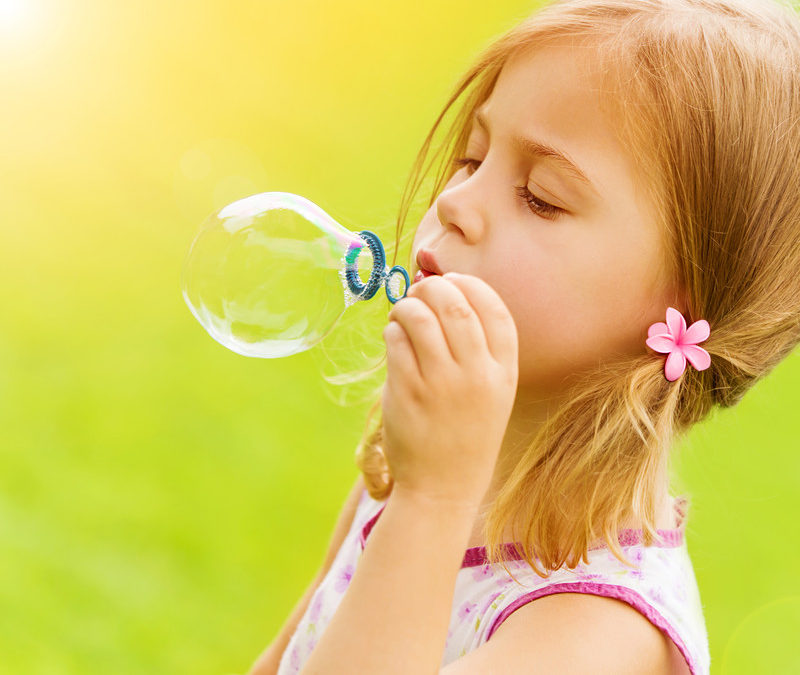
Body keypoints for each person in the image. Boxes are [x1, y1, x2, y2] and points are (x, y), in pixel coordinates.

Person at [249, 0, 800, 672]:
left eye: (540, 195)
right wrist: (424, 491)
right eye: (472, 157)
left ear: (683, 308)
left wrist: (431, 503)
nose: (456, 201)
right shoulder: (416, 464)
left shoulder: (597, 634)